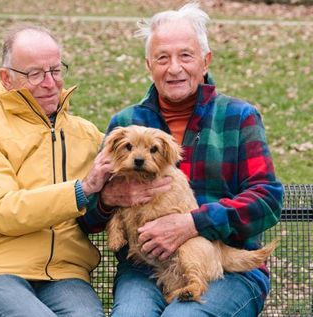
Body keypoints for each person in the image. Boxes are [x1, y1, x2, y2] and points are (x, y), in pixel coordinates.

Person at [84, 2, 283, 317]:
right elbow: (89, 217)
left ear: (205, 61)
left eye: (185, 56)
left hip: (226, 269)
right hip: (144, 269)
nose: (174, 68)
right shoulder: (126, 123)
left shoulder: (238, 117)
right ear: (149, 65)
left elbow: (268, 201)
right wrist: (108, 198)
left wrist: (194, 223)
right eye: (163, 58)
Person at [0, 25, 113, 317]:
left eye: (55, 70)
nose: (50, 83)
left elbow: (137, 162)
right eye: (35, 74)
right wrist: (81, 190)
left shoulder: (86, 134)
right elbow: (3, 210)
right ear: (7, 77)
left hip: (65, 274)